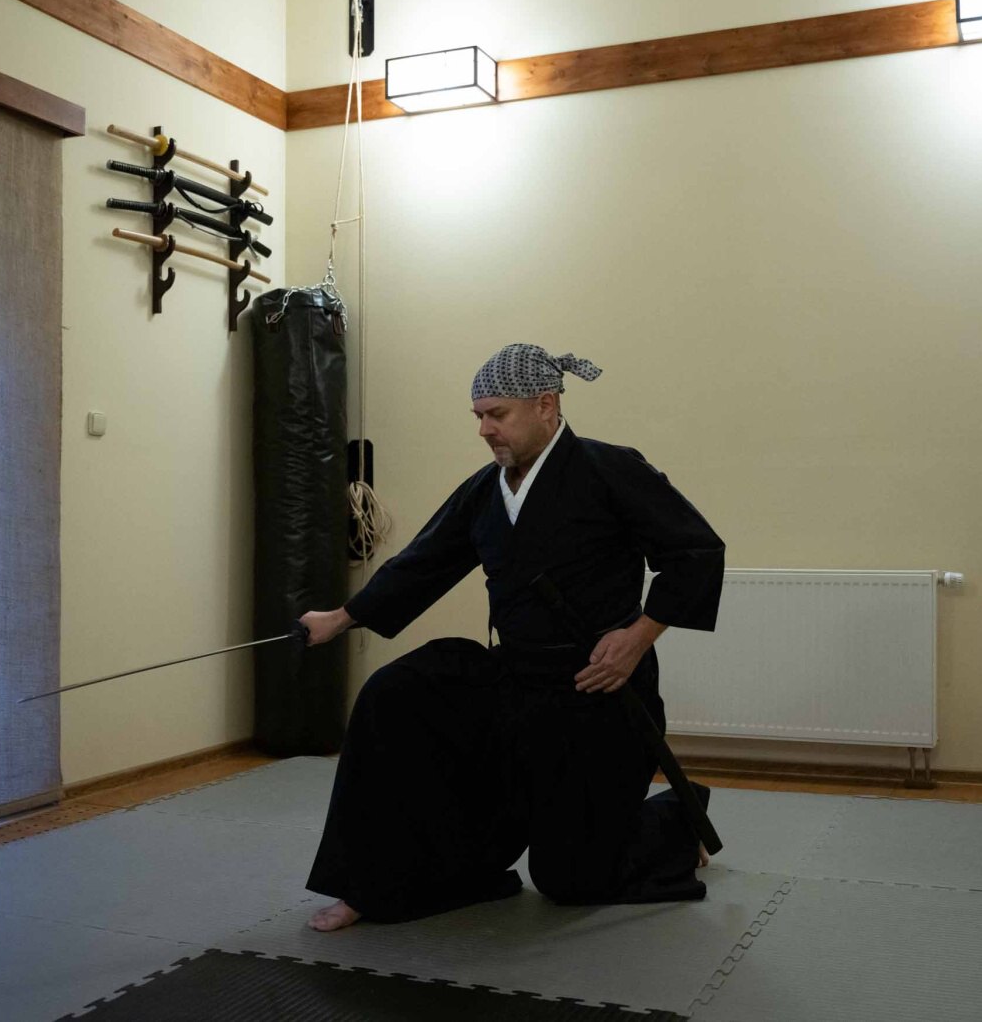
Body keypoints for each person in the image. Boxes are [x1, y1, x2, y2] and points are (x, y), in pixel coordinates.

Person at [299, 343, 725, 933]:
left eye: (496, 414)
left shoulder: (610, 469)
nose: (484, 429)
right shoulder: (486, 490)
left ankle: (677, 816)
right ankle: (374, 882)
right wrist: (342, 617)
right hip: (516, 678)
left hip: (597, 690)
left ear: (545, 405)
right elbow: (425, 562)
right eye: (478, 416)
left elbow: (696, 552)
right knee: (396, 696)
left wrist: (637, 639)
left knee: (571, 880)